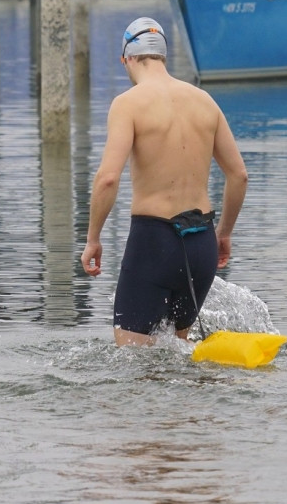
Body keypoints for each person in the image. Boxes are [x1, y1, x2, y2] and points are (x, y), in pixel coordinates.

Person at [80, 18, 248, 346]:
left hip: (153, 242)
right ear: (163, 58)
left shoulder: (128, 103)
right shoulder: (205, 101)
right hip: (201, 244)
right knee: (179, 353)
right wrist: (223, 233)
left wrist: (93, 239)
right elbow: (238, 175)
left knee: (134, 362)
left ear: (127, 59)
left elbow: (107, 178)